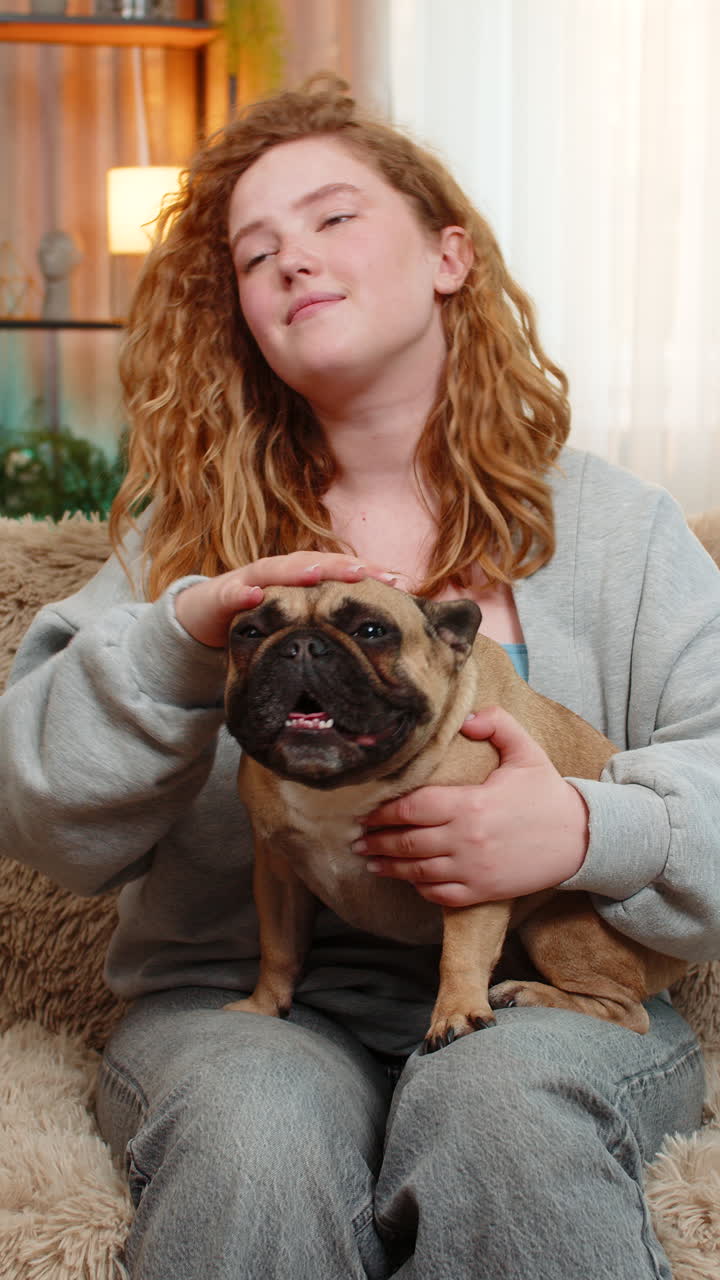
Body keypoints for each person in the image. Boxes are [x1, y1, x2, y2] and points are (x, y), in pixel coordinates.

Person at [2, 74, 719, 1280]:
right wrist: (181, 638)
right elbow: (34, 810)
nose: (291, 260)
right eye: (254, 251)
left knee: (504, 1116)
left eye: (333, 218)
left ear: (449, 255)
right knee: (254, 1134)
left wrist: (588, 825)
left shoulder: (620, 532)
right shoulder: (182, 538)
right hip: (246, 1008)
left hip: (535, 1001)